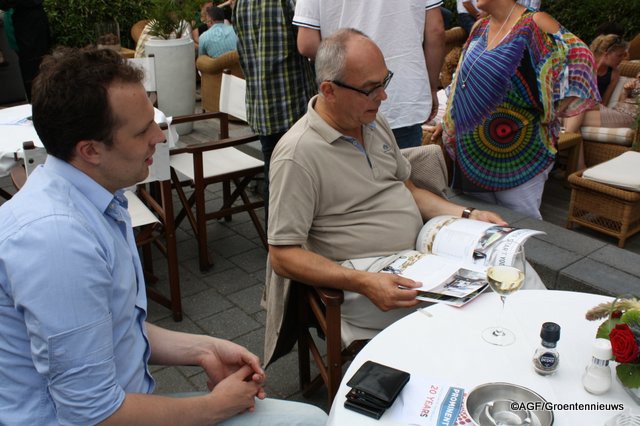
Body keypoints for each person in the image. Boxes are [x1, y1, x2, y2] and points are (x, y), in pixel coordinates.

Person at [0, 47, 327, 426]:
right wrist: (215, 406)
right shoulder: (58, 243)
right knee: (309, 422)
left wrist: (204, 348)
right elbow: (93, 415)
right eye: (142, 131)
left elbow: (115, 327)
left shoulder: (91, 198)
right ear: (90, 150)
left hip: (125, 405)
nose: (159, 136)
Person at [263, 29, 508, 365]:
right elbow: (282, 255)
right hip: (365, 276)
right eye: (370, 88)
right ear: (329, 90)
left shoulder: (372, 121)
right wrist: (365, 283)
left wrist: (467, 214)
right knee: (476, 303)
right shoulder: (297, 155)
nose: (383, 96)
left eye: (384, 81)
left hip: (419, 252)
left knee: (505, 260)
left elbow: (409, 190)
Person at [436, 0, 599, 219]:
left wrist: (551, 105)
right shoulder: (480, 27)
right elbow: (463, 77)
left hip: (519, 155)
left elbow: (582, 58)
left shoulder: (535, 23)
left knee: (521, 223)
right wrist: (450, 117)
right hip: (473, 157)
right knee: (480, 225)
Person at [293, 0, 445, 149]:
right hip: (403, 100)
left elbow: (307, 44)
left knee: (345, 165)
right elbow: (436, 31)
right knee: (402, 165)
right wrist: (432, 87)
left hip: (346, 104)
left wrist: (346, 68)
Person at [233, 0, 317, 226]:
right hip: (293, 105)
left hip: (262, 106)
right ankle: (294, 239)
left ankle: (275, 240)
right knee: (300, 179)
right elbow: (308, 44)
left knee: (275, 178)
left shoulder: (241, 3)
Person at [0, 0, 51, 101]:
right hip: (31, 20)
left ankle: (38, 103)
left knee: (34, 70)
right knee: (41, 67)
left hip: (28, 24)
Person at [571, 71, 640, 129]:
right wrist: (625, 91)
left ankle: (568, 136)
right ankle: (570, 137)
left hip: (628, 117)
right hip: (616, 111)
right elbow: (621, 102)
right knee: (578, 102)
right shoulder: (634, 82)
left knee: (572, 116)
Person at [590, 34, 629, 106]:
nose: (622, 59)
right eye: (619, 55)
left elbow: (604, 103)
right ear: (606, 52)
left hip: (595, 108)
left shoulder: (614, 73)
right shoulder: (587, 65)